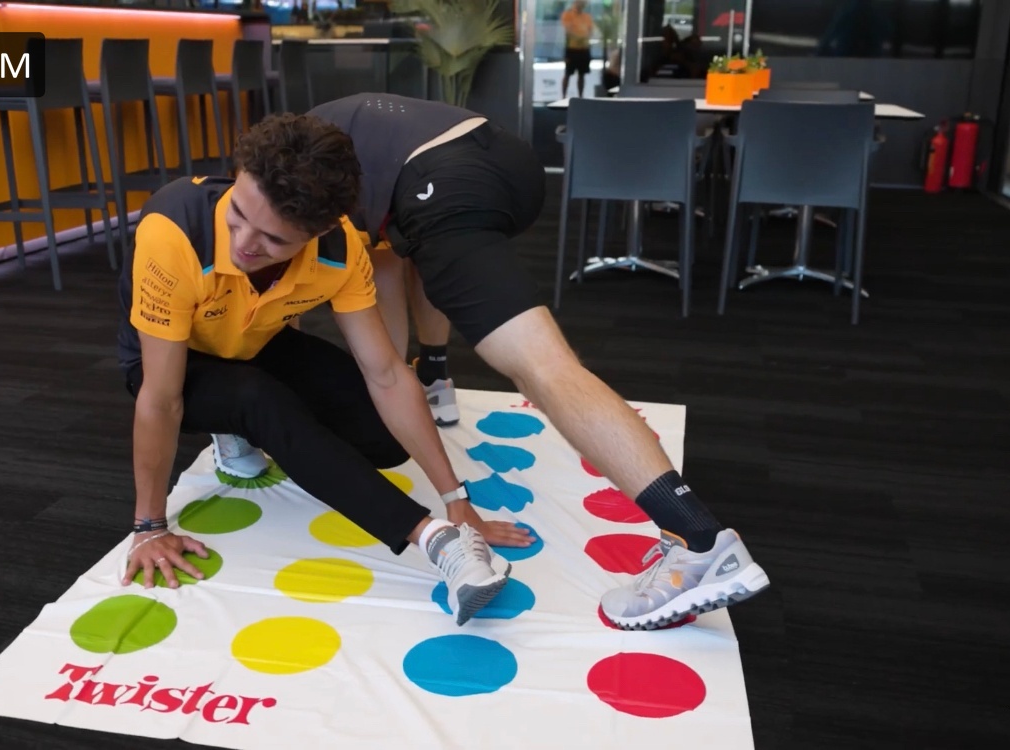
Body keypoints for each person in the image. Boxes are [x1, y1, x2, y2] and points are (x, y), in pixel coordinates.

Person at [221, 92, 766, 632]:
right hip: (507, 162)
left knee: (543, 367)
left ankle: (700, 542)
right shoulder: (315, 150)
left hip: (438, 182)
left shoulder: (300, 185)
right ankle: (436, 377)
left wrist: (448, 490)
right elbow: (380, 278)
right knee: (422, 250)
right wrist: (395, 381)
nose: (248, 240)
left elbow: (317, 317)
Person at [115, 112, 531, 627]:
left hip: (255, 342)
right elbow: (161, 399)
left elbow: (386, 373)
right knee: (260, 401)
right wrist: (149, 527)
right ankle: (439, 544)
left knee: (385, 441)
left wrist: (456, 498)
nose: (243, 243)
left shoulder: (341, 249)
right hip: (171, 362)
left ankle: (252, 426)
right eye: (237, 214)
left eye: (272, 239)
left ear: (318, 233)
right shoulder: (173, 232)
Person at [561, 0, 594, 98]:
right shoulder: (568, 15)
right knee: (568, 73)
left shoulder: (587, 17)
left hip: (584, 49)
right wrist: (581, 37)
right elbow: (568, 31)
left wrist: (583, 37)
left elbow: (590, 32)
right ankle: (563, 96)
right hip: (572, 49)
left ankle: (581, 96)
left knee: (582, 74)